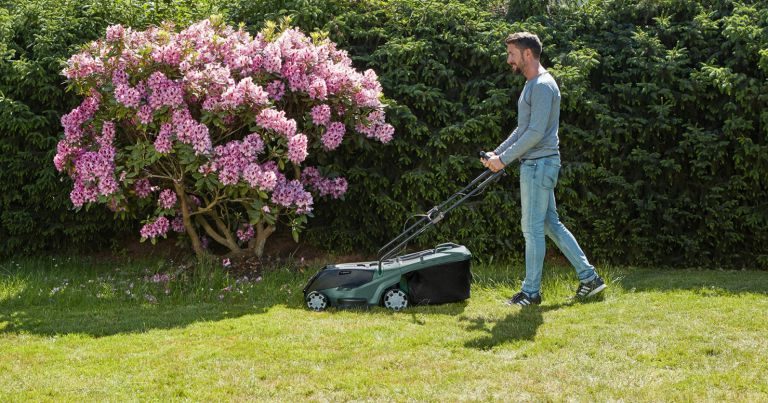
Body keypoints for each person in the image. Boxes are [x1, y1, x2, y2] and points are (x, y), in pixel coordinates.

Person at [481, 32, 606, 306]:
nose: (508, 60)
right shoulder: (533, 85)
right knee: (550, 224)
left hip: (538, 165)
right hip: (538, 164)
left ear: (527, 54)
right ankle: (590, 278)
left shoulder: (542, 85)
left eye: (511, 54)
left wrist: (504, 160)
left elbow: (535, 133)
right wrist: (498, 153)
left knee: (532, 228)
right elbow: (523, 129)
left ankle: (531, 292)